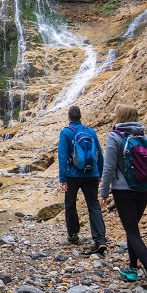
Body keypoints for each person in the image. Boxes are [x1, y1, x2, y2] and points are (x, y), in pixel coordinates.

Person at [99, 104, 147, 293]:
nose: (112, 113)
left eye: (114, 112)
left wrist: (103, 192)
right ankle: (132, 270)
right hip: (143, 189)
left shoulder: (115, 136)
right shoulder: (143, 136)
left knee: (132, 231)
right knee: (132, 229)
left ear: (120, 116)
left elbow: (109, 167)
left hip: (123, 191)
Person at [58, 105, 107, 255]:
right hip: (91, 174)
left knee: (70, 204)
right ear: (80, 117)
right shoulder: (90, 131)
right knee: (93, 205)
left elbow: (62, 156)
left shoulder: (66, 132)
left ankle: (73, 236)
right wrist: (100, 173)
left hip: (73, 176)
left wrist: (62, 178)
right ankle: (100, 239)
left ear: (68, 117)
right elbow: (99, 152)